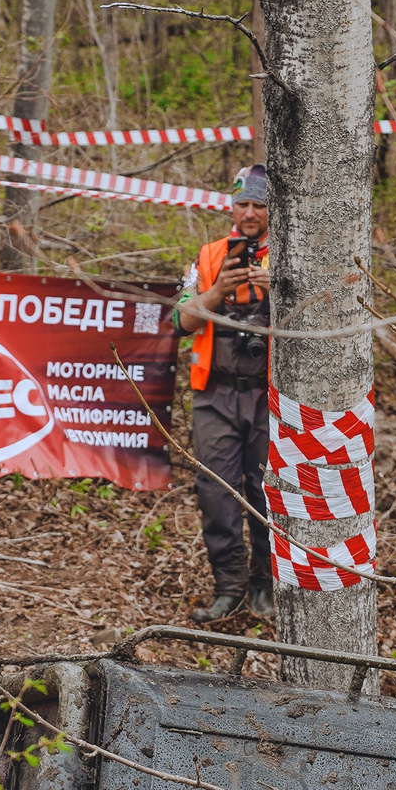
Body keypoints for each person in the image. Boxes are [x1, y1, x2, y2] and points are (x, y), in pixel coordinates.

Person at [176, 165, 274, 622]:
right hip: (213, 392)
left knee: (265, 495)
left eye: (259, 204)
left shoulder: (290, 255)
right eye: (243, 204)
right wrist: (218, 291)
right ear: (231, 206)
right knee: (215, 493)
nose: (250, 213)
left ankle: (264, 584)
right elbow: (182, 321)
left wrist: (282, 291)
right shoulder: (211, 254)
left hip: (267, 395)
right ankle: (228, 586)